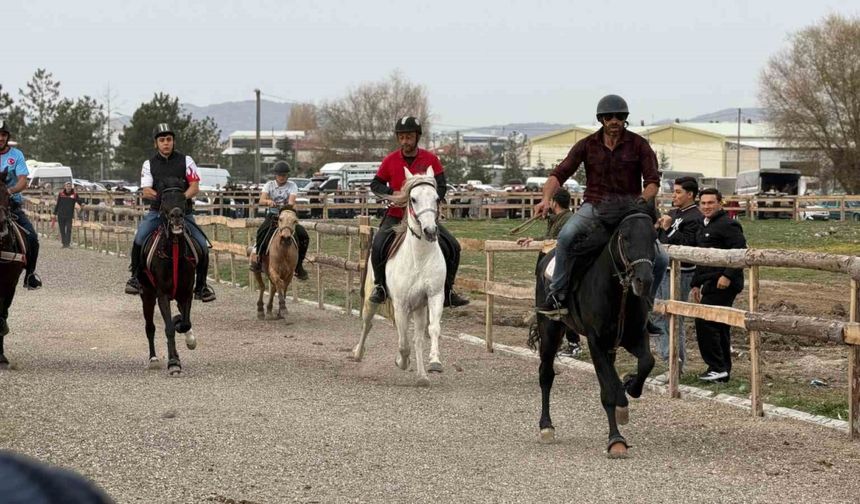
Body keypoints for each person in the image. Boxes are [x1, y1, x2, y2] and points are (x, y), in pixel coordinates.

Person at [533, 95, 667, 315]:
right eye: (609, 116)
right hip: (594, 207)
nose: (614, 120)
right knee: (566, 237)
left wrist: (641, 201)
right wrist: (546, 199)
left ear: (625, 119)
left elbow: (652, 182)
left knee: (661, 258)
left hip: (628, 210)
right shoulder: (586, 145)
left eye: (620, 116)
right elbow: (559, 174)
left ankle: (646, 306)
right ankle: (557, 295)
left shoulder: (640, 145)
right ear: (601, 119)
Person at [368, 116, 469, 307]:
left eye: (409, 137)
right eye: (402, 137)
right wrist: (393, 193)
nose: (405, 141)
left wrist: (430, 198)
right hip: (397, 216)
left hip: (424, 216)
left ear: (417, 137)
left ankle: (448, 290)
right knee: (378, 244)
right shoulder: (390, 160)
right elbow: (375, 184)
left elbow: (441, 185)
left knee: (453, 246)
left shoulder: (430, 159)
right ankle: (380, 287)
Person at [124, 123, 216, 302]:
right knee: (139, 238)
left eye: (169, 139)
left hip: (184, 213)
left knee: (202, 245)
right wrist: (165, 201)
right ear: (156, 143)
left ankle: (201, 286)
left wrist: (179, 200)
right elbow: (146, 190)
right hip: (158, 213)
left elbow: (194, 187)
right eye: (162, 140)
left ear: (173, 141)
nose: (166, 143)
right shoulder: (148, 164)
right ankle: (135, 277)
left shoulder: (186, 161)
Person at [690, 188, 747, 382]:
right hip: (708, 281)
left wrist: (728, 275)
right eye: (703, 203)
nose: (706, 207)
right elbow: (701, 257)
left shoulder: (729, 225)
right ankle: (722, 369)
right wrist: (695, 284)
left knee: (706, 321)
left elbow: (740, 250)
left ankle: (716, 366)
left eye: (710, 203)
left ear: (720, 203)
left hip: (724, 283)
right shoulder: (703, 225)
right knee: (718, 324)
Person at [518, 187, 582, 357]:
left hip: (559, 266)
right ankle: (560, 341)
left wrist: (539, 239)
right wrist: (534, 238)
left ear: (554, 202)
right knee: (555, 304)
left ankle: (574, 343)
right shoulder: (559, 218)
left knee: (562, 302)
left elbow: (556, 240)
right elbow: (550, 236)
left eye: (550, 201)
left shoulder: (568, 220)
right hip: (550, 263)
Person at [653, 176, 703, 371]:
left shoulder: (695, 216)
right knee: (656, 312)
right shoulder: (673, 212)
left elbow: (689, 244)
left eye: (678, 192)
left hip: (680, 272)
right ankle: (669, 359)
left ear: (690, 194)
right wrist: (659, 229)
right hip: (661, 269)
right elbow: (662, 239)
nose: (674, 195)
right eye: (674, 191)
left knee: (673, 317)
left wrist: (667, 229)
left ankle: (675, 365)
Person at [0, 119, 43, 289]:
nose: (0, 138)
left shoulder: (16, 155)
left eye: (3, 135)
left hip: (11, 206)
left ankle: (30, 275)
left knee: (32, 238)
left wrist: (8, 192)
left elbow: (23, 182)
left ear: (7, 136)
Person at [249, 161, 310, 279]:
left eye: (284, 175)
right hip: (273, 215)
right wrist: (268, 202)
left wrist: (287, 207)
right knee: (261, 232)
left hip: (287, 216)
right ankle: (259, 260)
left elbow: (291, 202)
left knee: (303, 235)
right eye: (279, 175)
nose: (282, 177)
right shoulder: (269, 185)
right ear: (275, 175)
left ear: (287, 175)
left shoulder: (292, 185)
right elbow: (261, 200)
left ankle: (299, 264)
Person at [55, 181, 82, 248]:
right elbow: (58, 204)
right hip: (60, 215)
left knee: (69, 229)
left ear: (71, 187)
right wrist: (54, 213)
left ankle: (68, 244)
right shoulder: (61, 194)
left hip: (69, 215)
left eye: (70, 186)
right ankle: (64, 244)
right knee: (62, 230)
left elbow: (79, 201)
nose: (68, 187)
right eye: (67, 186)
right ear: (65, 187)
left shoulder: (74, 195)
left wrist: (82, 204)